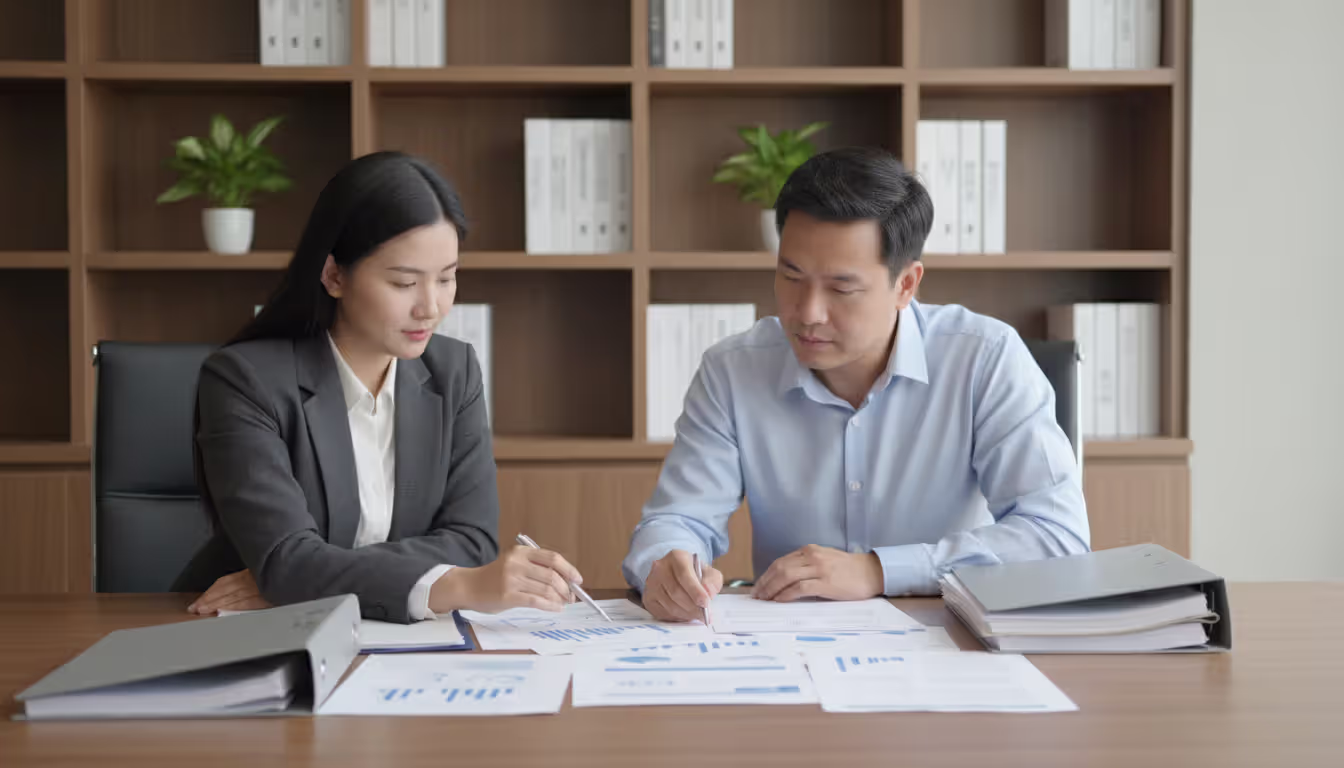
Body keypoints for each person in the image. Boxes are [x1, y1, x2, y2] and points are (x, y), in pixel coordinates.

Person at [623, 147, 1090, 622]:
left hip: (947, 637)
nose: (808, 313)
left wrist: (880, 571)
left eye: (842, 289)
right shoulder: (732, 370)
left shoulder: (985, 358)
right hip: (791, 645)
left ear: (906, 285)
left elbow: (1057, 538)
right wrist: (667, 565)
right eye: (791, 276)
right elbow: (675, 520)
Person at [175, 151, 584, 623]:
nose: (431, 307)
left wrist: (310, 580)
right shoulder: (244, 380)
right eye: (404, 283)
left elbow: (471, 541)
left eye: (447, 278)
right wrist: (458, 584)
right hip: (238, 628)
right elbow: (287, 561)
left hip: (390, 636)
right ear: (334, 275)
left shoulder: (455, 372)